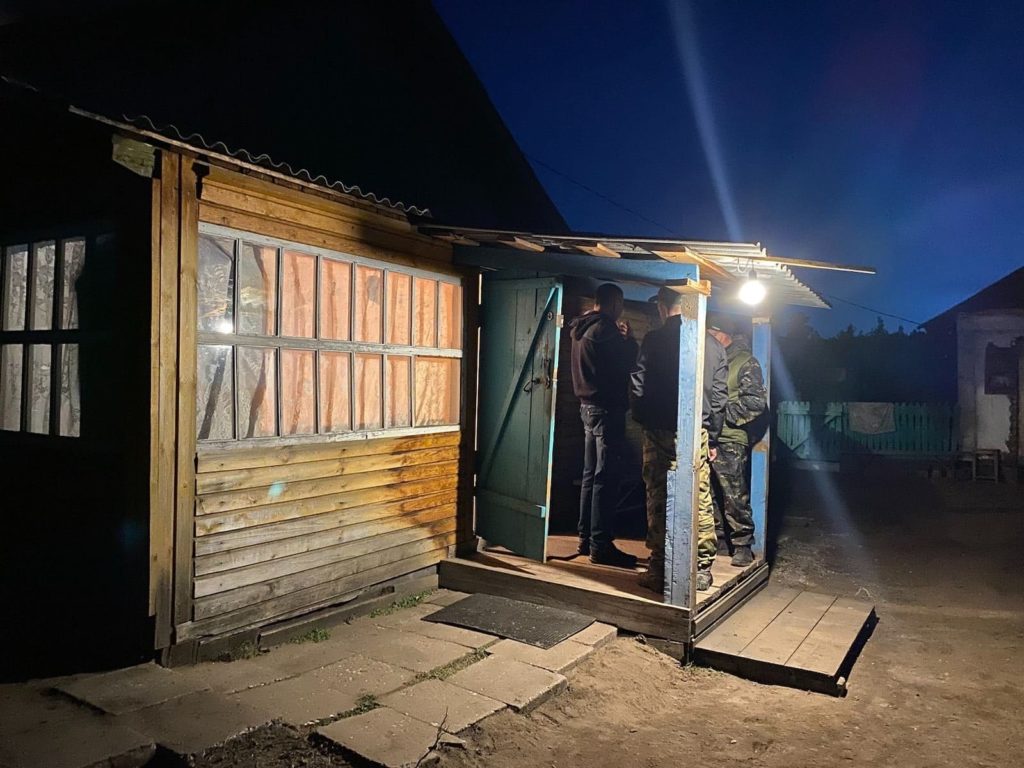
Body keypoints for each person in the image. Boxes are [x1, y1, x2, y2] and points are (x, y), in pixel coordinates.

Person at [632, 286, 728, 592]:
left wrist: (644, 419)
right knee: (699, 497)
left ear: (662, 306)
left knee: (659, 496)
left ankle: (660, 567)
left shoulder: (653, 340)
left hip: (658, 429)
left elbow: (638, 385)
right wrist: (712, 437)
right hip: (697, 432)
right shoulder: (714, 345)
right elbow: (719, 398)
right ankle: (701, 569)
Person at [569, 283, 639, 568]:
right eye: (620, 305)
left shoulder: (581, 327)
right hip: (606, 411)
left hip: (586, 408)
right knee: (606, 477)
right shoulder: (605, 330)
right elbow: (627, 364)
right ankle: (601, 545)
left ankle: (585, 538)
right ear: (615, 303)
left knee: (590, 475)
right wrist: (630, 341)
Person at [707, 320, 768, 567]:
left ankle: (743, 544)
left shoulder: (745, 361)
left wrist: (721, 415)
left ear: (721, 333)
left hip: (730, 439)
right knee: (709, 495)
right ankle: (719, 540)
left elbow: (755, 402)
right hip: (707, 437)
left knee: (734, 495)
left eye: (710, 333)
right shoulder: (711, 358)